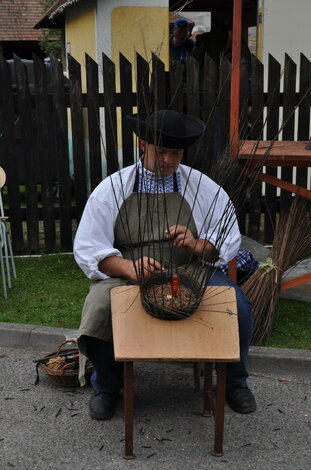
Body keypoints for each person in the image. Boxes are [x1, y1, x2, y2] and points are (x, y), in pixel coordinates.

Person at [73, 109, 256, 420]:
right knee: (99, 307)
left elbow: (225, 237)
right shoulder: (113, 188)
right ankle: (107, 386)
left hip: (189, 270)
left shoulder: (202, 187)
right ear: (143, 145)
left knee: (235, 305)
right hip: (129, 272)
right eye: (162, 151)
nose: (170, 160)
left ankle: (234, 382)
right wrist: (127, 267)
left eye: (176, 152)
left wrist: (198, 245)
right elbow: (89, 247)